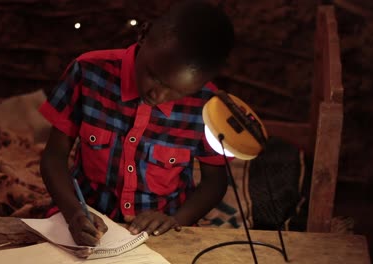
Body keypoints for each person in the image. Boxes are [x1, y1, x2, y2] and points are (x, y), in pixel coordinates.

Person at [39, 0, 235, 246]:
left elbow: (215, 182)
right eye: (153, 76)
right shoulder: (88, 72)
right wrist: (74, 212)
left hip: (161, 228)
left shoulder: (209, 107)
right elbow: (53, 157)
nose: (157, 95)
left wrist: (176, 219)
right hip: (86, 218)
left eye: (177, 92)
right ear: (142, 35)